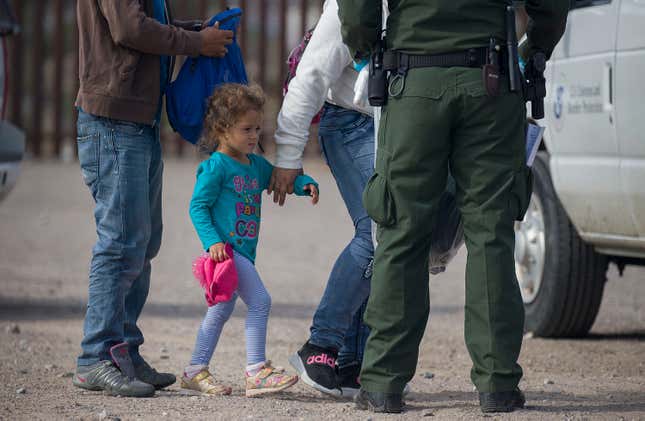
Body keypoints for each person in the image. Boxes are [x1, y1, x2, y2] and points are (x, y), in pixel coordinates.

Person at [337, 0, 569, 413]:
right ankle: (497, 384)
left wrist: (366, 50)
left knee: (401, 231)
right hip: (492, 79)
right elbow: (550, 6)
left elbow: (357, 12)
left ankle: (383, 383)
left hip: (413, 81)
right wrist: (536, 45)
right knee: (490, 235)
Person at [72, 0, 235, 398]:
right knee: (121, 243)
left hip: (138, 121)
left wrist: (195, 30)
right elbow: (130, 29)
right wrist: (196, 42)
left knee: (142, 243)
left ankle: (123, 351)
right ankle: (96, 356)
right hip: (113, 120)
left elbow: (148, 22)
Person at [181, 83, 319, 398]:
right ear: (221, 129)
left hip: (243, 252)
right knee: (260, 301)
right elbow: (197, 206)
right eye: (246, 129)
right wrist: (212, 241)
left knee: (220, 311)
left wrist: (304, 184)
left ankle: (193, 371)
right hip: (227, 253)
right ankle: (256, 371)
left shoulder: (254, 164)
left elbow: (278, 179)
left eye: (257, 128)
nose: (254, 136)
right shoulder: (215, 167)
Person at [268, 0, 375, 398]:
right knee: (380, 230)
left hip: (389, 125)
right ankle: (321, 347)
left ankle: (351, 361)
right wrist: (288, 154)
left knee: (390, 238)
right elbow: (311, 75)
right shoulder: (351, 6)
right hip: (350, 122)